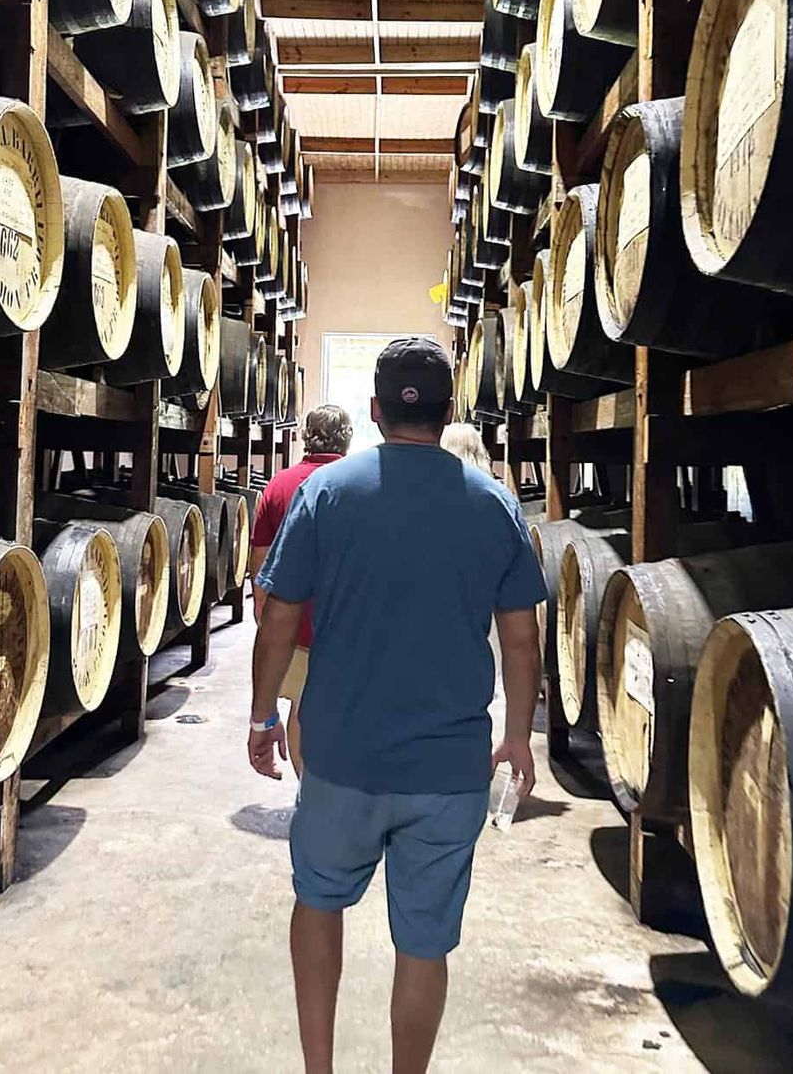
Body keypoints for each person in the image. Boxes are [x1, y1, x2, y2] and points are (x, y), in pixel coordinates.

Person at [248, 337, 545, 1074]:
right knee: (424, 944)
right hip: (448, 769)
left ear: (375, 409)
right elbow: (522, 639)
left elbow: (278, 617)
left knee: (319, 902)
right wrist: (517, 735)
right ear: (449, 411)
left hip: (341, 756)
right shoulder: (495, 504)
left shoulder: (327, 492)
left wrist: (262, 715)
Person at [249, 403, 354, 778]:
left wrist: (264, 618)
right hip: (345, 625)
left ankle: (308, 790)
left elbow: (261, 563)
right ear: (346, 439)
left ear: (306, 436)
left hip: (293, 627)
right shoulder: (355, 484)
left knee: (301, 710)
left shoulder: (278, 485)